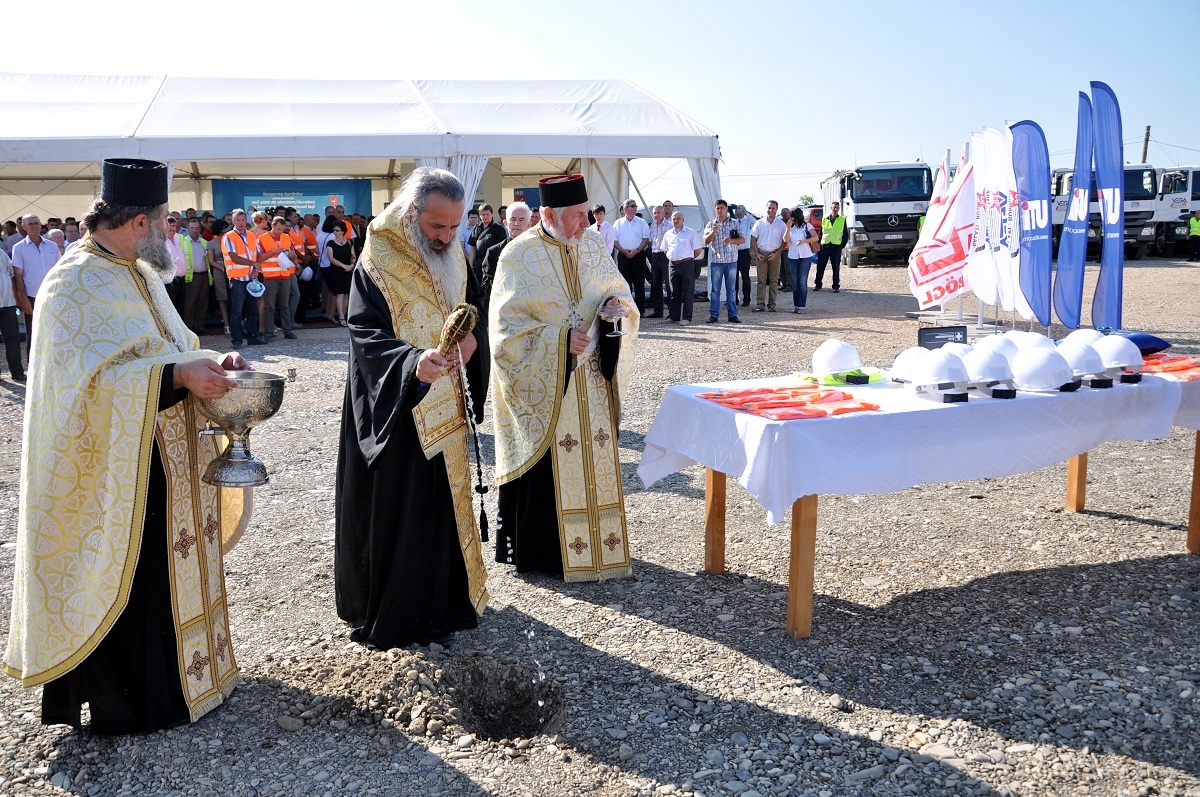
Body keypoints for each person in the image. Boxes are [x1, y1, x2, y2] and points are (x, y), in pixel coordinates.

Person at [3, 158, 251, 734]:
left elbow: (171, 344)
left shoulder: (136, 271)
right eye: (164, 219)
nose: (170, 229)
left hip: (164, 453)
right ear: (140, 220)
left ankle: (189, 681)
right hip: (114, 471)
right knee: (134, 575)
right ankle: (138, 700)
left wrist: (212, 361)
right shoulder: (74, 282)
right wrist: (178, 377)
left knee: (170, 568)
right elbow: (82, 386)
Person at [335, 167, 489, 649]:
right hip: (396, 405)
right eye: (436, 227)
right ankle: (398, 612)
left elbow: (470, 309)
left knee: (442, 506)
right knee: (403, 511)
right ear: (410, 212)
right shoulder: (377, 258)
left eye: (453, 228)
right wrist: (410, 363)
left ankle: (445, 602)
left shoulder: (454, 255)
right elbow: (364, 331)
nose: (445, 238)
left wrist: (471, 346)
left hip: (445, 405)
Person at [489, 173, 637, 581]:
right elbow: (504, 330)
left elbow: (618, 290)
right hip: (548, 381)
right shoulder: (516, 255)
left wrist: (614, 308)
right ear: (549, 214)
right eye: (575, 216)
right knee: (550, 461)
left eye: (586, 214)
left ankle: (599, 545)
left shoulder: (590, 242)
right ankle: (548, 556)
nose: (584, 224)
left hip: (591, 378)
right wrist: (556, 340)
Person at [10, 214, 61, 361]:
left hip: (53, 294)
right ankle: (33, 369)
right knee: (34, 334)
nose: (34, 226)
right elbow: (18, 276)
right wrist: (23, 299)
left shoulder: (52, 246)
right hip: (32, 296)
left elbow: (59, 270)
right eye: (30, 224)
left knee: (54, 332)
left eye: (36, 223)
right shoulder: (18, 248)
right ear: (24, 227)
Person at [221, 209, 264, 347]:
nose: (240, 223)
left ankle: (253, 337)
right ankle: (237, 340)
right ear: (233, 221)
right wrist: (253, 264)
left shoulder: (251, 235)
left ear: (247, 221)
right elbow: (233, 257)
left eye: (243, 220)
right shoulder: (229, 236)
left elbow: (258, 254)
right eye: (238, 220)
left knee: (253, 310)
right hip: (237, 278)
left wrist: (256, 269)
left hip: (251, 278)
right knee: (236, 312)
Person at [481, 201, 531, 306]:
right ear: (505, 223)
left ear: (529, 224)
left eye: (521, 219)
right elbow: (487, 289)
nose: (517, 223)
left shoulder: (537, 250)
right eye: (513, 219)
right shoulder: (493, 252)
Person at [257, 217, 298, 341]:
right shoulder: (262, 238)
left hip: (285, 275)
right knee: (269, 306)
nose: (280, 231)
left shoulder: (287, 237)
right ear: (272, 225)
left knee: (284, 305)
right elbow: (259, 258)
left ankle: (287, 330)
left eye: (282, 229)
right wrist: (274, 251)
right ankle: (268, 332)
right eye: (278, 229)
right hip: (269, 276)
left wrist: (291, 255)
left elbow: (294, 257)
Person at [703, 199, 742, 324]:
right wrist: (714, 231)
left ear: (726, 209)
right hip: (717, 261)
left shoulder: (734, 223)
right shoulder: (710, 224)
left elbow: (742, 239)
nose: (720, 210)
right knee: (715, 290)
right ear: (715, 209)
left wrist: (731, 240)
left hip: (731, 261)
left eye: (722, 208)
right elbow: (706, 241)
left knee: (731, 289)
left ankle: (732, 315)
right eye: (717, 208)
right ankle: (714, 315)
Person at [662, 210, 703, 325]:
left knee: (688, 292)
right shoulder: (668, 234)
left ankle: (686, 318)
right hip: (673, 265)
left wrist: (686, 258)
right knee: (674, 291)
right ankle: (674, 316)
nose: (676, 221)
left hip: (687, 264)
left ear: (683, 219)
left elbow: (698, 250)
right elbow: (665, 250)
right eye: (674, 219)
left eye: (678, 218)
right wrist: (674, 258)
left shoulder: (691, 233)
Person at [612, 199, 650, 313]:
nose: (634, 208)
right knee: (625, 284)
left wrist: (637, 250)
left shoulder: (641, 222)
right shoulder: (617, 223)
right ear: (625, 208)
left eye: (635, 206)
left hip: (638, 255)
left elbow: (646, 239)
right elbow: (614, 240)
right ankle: (626, 309)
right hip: (623, 256)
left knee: (639, 283)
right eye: (632, 206)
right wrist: (623, 251)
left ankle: (640, 310)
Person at [750, 201, 786, 312]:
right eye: (769, 208)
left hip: (775, 253)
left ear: (777, 209)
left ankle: (772, 305)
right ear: (766, 208)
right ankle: (760, 305)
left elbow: (785, 241)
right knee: (761, 280)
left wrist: (777, 253)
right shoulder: (759, 223)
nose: (771, 210)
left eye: (773, 208)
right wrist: (757, 254)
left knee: (774, 281)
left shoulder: (781, 224)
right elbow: (753, 239)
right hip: (762, 253)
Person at [784, 207, 820, 314]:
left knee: (802, 282)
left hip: (805, 256)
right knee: (795, 282)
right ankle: (796, 306)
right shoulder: (790, 227)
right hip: (793, 256)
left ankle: (802, 307)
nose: (790, 219)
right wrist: (788, 228)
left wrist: (804, 241)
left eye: (792, 216)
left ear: (796, 217)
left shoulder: (807, 226)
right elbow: (785, 240)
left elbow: (815, 238)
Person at [0, 244, 26, 382]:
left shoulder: (1, 253)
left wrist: (17, 299)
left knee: (13, 338)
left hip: (8, 303)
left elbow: (12, 276)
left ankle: (17, 372)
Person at [179, 218, 210, 335]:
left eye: (197, 228)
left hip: (204, 276)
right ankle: (189, 328)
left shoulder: (204, 242)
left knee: (202, 302)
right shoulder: (183, 242)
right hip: (191, 277)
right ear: (187, 229)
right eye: (192, 228)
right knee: (190, 303)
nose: (195, 231)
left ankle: (199, 326)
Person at [324, 220, 355, 325]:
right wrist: (343, 265)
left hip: (347, 271)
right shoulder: (330, 243)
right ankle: (341, 317)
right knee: (339, 294)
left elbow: (353, 256)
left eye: (337, 230)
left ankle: (345, 314)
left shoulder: (349, 242)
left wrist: (351, 265)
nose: (335, 232)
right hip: (336, 271)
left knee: (346, 294)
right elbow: (331, 258)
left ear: (343, 231)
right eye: (334, 230)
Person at [467, 204, 507, 284]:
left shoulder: (498, 228)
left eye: (487, 214)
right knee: (479, 284)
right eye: (483, 214)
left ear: (491, 214)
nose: (485, 216)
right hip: (479, 262)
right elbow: (472, 247)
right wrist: (470, 264)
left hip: (492, 262)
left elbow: (503, 248)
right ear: (480, 215)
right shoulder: (476, 228)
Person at [815, 200, 847, 292]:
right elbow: (821, 233)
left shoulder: (842, 219)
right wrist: (818, 244)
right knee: (820, 266)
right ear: (831, 208)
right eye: (834, 207)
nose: (835, 209)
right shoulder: (825, 218)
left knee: (836, 268)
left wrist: (841, 246)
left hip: (836, 247)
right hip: (825, 246)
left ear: (839, 209)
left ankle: (836, 286)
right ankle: (818, 284)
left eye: (837, 207)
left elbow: (845, 235)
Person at [646, 205, 671, 318]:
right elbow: (650, 241)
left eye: (658, 213)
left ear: (663, 213)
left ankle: (672, 311)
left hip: (665, 255)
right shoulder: (652, 226)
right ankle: (658, 311)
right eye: (654, 213)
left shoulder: (669, 225)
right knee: (656, 284)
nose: (656, 215)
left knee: (669, 284)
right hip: (655, 255)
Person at [207, 219, 231, 335]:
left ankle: (234, 321)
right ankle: (226, 323)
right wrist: (222, 268)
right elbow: (211, 260)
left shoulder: (230, 240)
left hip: (232, 270)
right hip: (219, 271)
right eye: (226, 227)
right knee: (222, 298)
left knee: (233, 297)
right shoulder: (211, 243)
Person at [734, 204, 756, 306]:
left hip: (744, 252)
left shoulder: (747, 222)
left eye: (741, 209)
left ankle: (746, 299)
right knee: (733, 278)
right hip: (733, 252)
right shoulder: (733, 222)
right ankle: (734, 299)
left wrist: (746, 212)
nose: (738, 211)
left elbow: (755, 223)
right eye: (737, 209)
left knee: (745, 277)